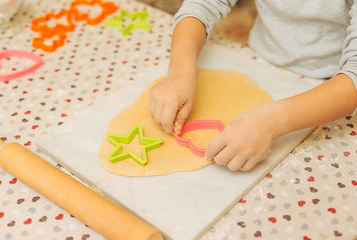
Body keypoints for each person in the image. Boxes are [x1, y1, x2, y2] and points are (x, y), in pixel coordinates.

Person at [148, 0, 357, 172]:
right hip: (259, 58)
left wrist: (273, 121)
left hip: (332, 88)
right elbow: (202, 5)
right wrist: (179, 72)